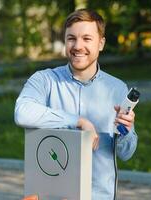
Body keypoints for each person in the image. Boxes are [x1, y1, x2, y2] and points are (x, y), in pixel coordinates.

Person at [15, 8, 138, 200]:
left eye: (87, 39)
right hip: (52, 196)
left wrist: (125, 130)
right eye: (71, 38)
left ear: (101, 43)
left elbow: (126, 153)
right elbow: (22, 113)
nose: (78, 46)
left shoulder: (117, 89)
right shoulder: (44, 80)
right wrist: (77, 121)